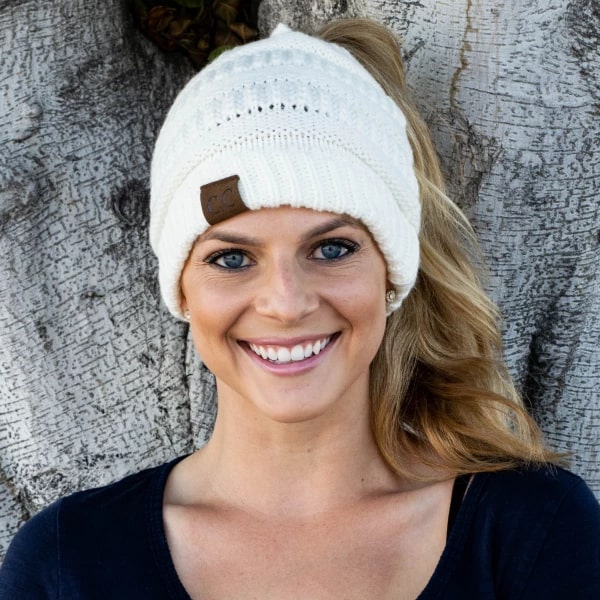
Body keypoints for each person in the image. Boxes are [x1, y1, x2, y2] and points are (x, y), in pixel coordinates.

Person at [0, 17, 598, 600]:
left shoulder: (536, 533)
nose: (286, 303)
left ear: (391, 272)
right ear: (181, 287)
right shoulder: (65, 561)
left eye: (332, 249)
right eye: (232, 258)